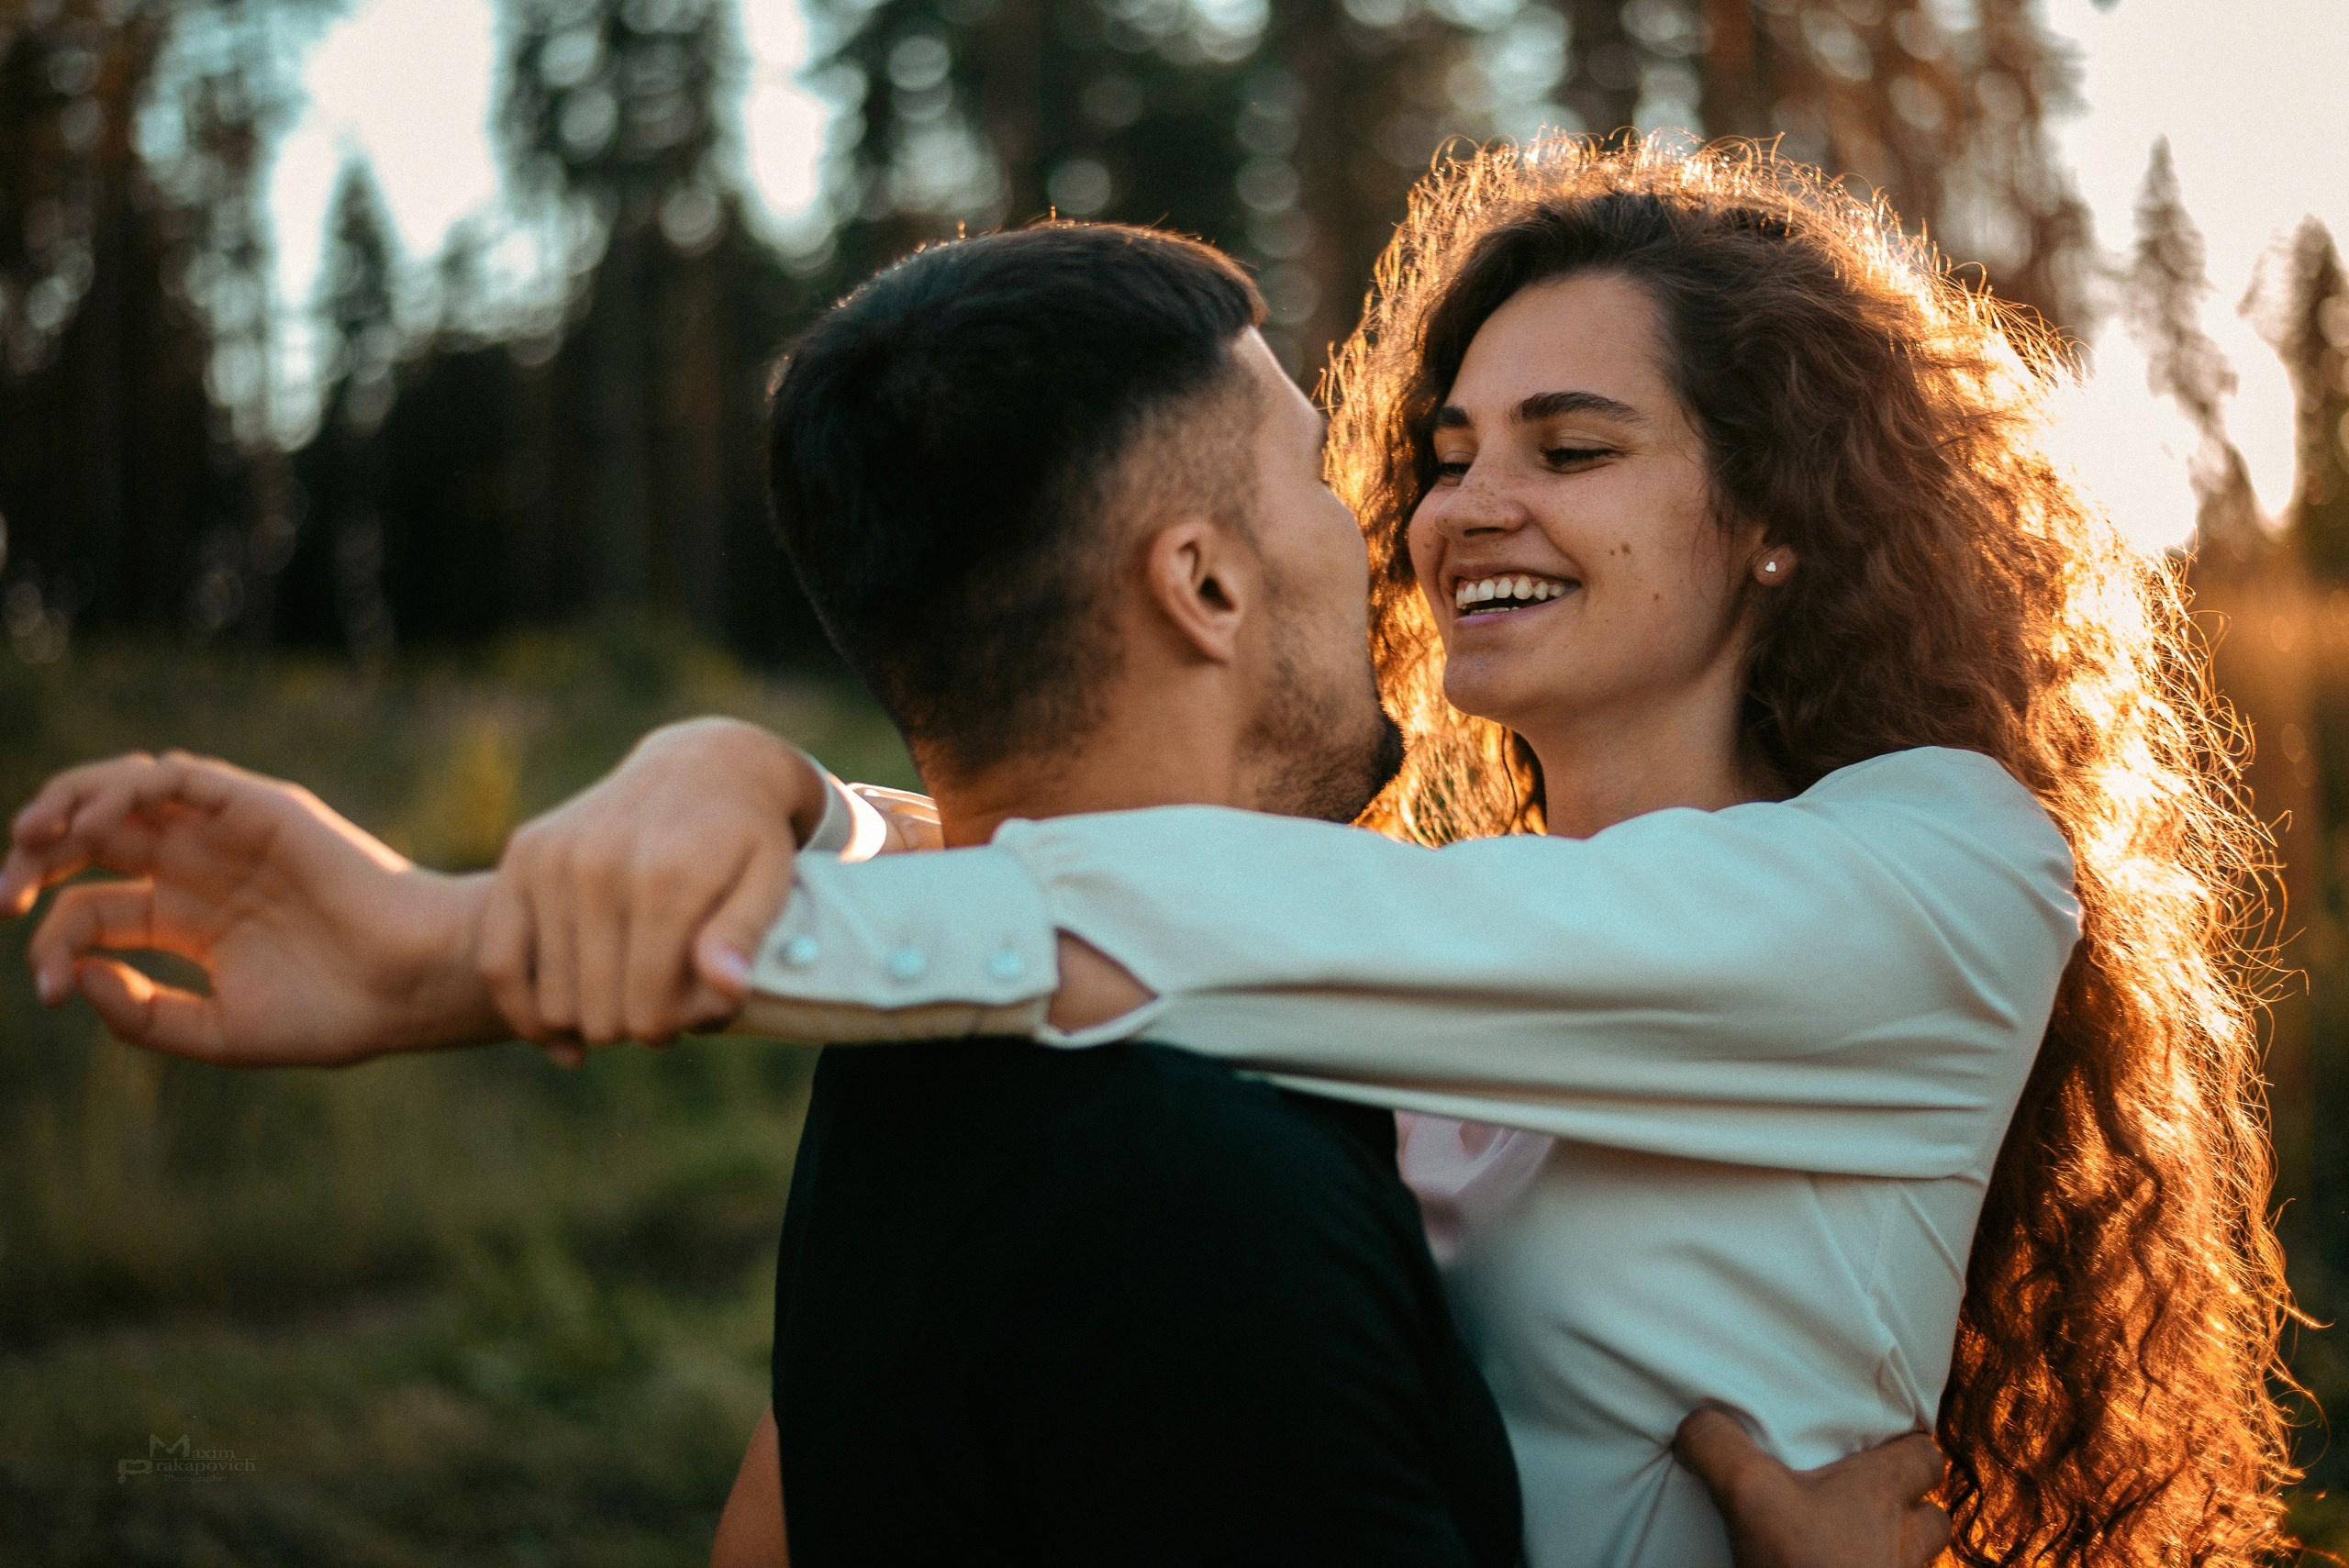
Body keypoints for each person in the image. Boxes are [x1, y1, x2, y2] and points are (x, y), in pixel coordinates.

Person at [392, 141, 2290, 1568]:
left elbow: (1127, 899)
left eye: (1570, 445)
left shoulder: (1940, 863)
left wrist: (470, 950)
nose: (1463, 504)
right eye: (1448, 447)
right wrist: (765, 792)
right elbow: (1158, 888)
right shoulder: (1380, 935)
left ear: (1773, 516)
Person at [0, 220, 1953, 1568]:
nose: (1414, 524)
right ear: (1198, 585)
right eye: (1363, 471)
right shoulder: (1210, 1184)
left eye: (1572, 445)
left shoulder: (922, 1063)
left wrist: (537, 906)